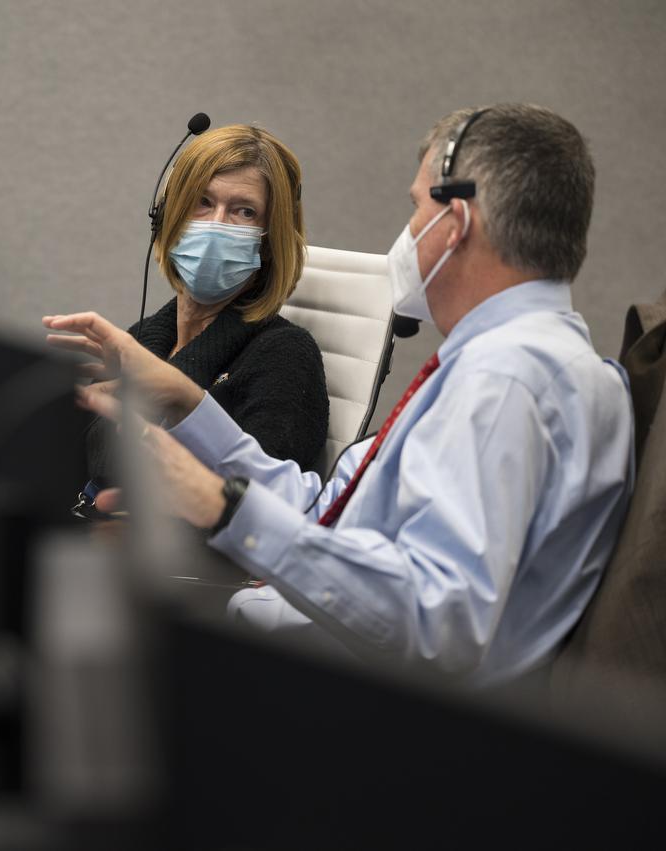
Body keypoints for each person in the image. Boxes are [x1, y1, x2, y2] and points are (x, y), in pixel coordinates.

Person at [45, 103, 634, 686]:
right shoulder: (521, 363)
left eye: (414, 209)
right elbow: (328, 508)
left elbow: (440, 628)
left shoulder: (507, 382)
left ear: (454, 224)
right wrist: (191, 408)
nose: (405, 236)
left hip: (321, 698)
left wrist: (226, 511)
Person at [79, 124, 327, 514]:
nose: (216, 224)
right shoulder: (140, 339)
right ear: (168, 217)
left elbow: (262, 510)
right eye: (202, 202)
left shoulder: (285, 354)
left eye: (244, 211)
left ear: (269, 240)